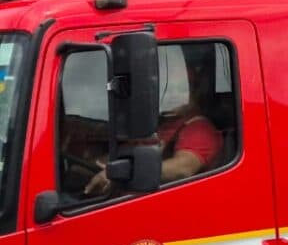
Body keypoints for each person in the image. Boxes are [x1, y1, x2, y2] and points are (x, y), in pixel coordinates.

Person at [85, 56, 224, 195]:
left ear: (194, 92)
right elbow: (127, 151)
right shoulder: (162, 123)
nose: (172, 95)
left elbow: (183, 168)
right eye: (168, 89)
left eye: (181, 89)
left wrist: (125, 172)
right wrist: (91, 165)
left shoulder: (199, 129)